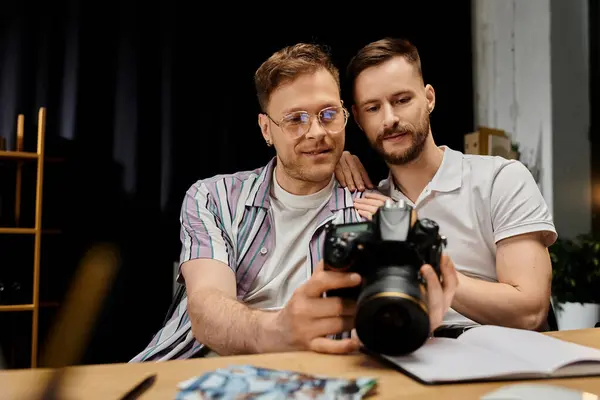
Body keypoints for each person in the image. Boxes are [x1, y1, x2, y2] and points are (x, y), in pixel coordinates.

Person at [130, 42, 458, 362]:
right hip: (192, 363)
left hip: (312, 376)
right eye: (295, 119)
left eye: (328, 114)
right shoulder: (214, 198)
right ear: (266, 129)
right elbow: (206, 306)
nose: (316, 132)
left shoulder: (378, 213)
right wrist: (277, 330)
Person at [337, 37, 557, 337]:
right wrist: (334, 161)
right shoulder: (368, 202)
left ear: (429, 98)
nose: (390, 119)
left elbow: (529, 312)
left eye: (402, 100)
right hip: (406, 354)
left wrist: (421, 250)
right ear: (359, 120)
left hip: (499, 357)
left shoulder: (500, 179)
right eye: (373, 108)